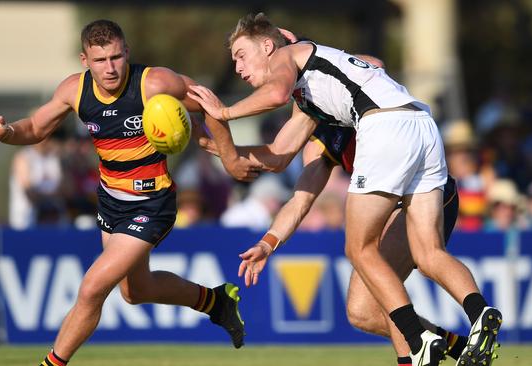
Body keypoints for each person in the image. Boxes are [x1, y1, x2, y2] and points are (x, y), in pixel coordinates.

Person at [188, 13, 501, 366]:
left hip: (385, 130)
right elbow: (277, 162)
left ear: (269, 44)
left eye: (241, 56)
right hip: (420, 125)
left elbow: (279, 90)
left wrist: (225, 113)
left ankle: (418, 341)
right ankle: (478, 316)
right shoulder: (312, 107)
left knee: (358, 248)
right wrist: (267, 238)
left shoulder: (290, 57)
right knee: (367, 306)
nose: (238, 68)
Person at [0, 20, 247, 366]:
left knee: (91, 288)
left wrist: (230, 158)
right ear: (85, 60)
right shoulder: (75, 90)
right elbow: (37, 127)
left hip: (152, 202)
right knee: (135, 292)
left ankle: (51, 363)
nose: (111, 68)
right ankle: (215, 302)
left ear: (127, 52)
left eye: (116, 57)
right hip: (111, 201)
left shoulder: (154, 83)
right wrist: (6, 131)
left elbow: (210, 103)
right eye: (101, 61)